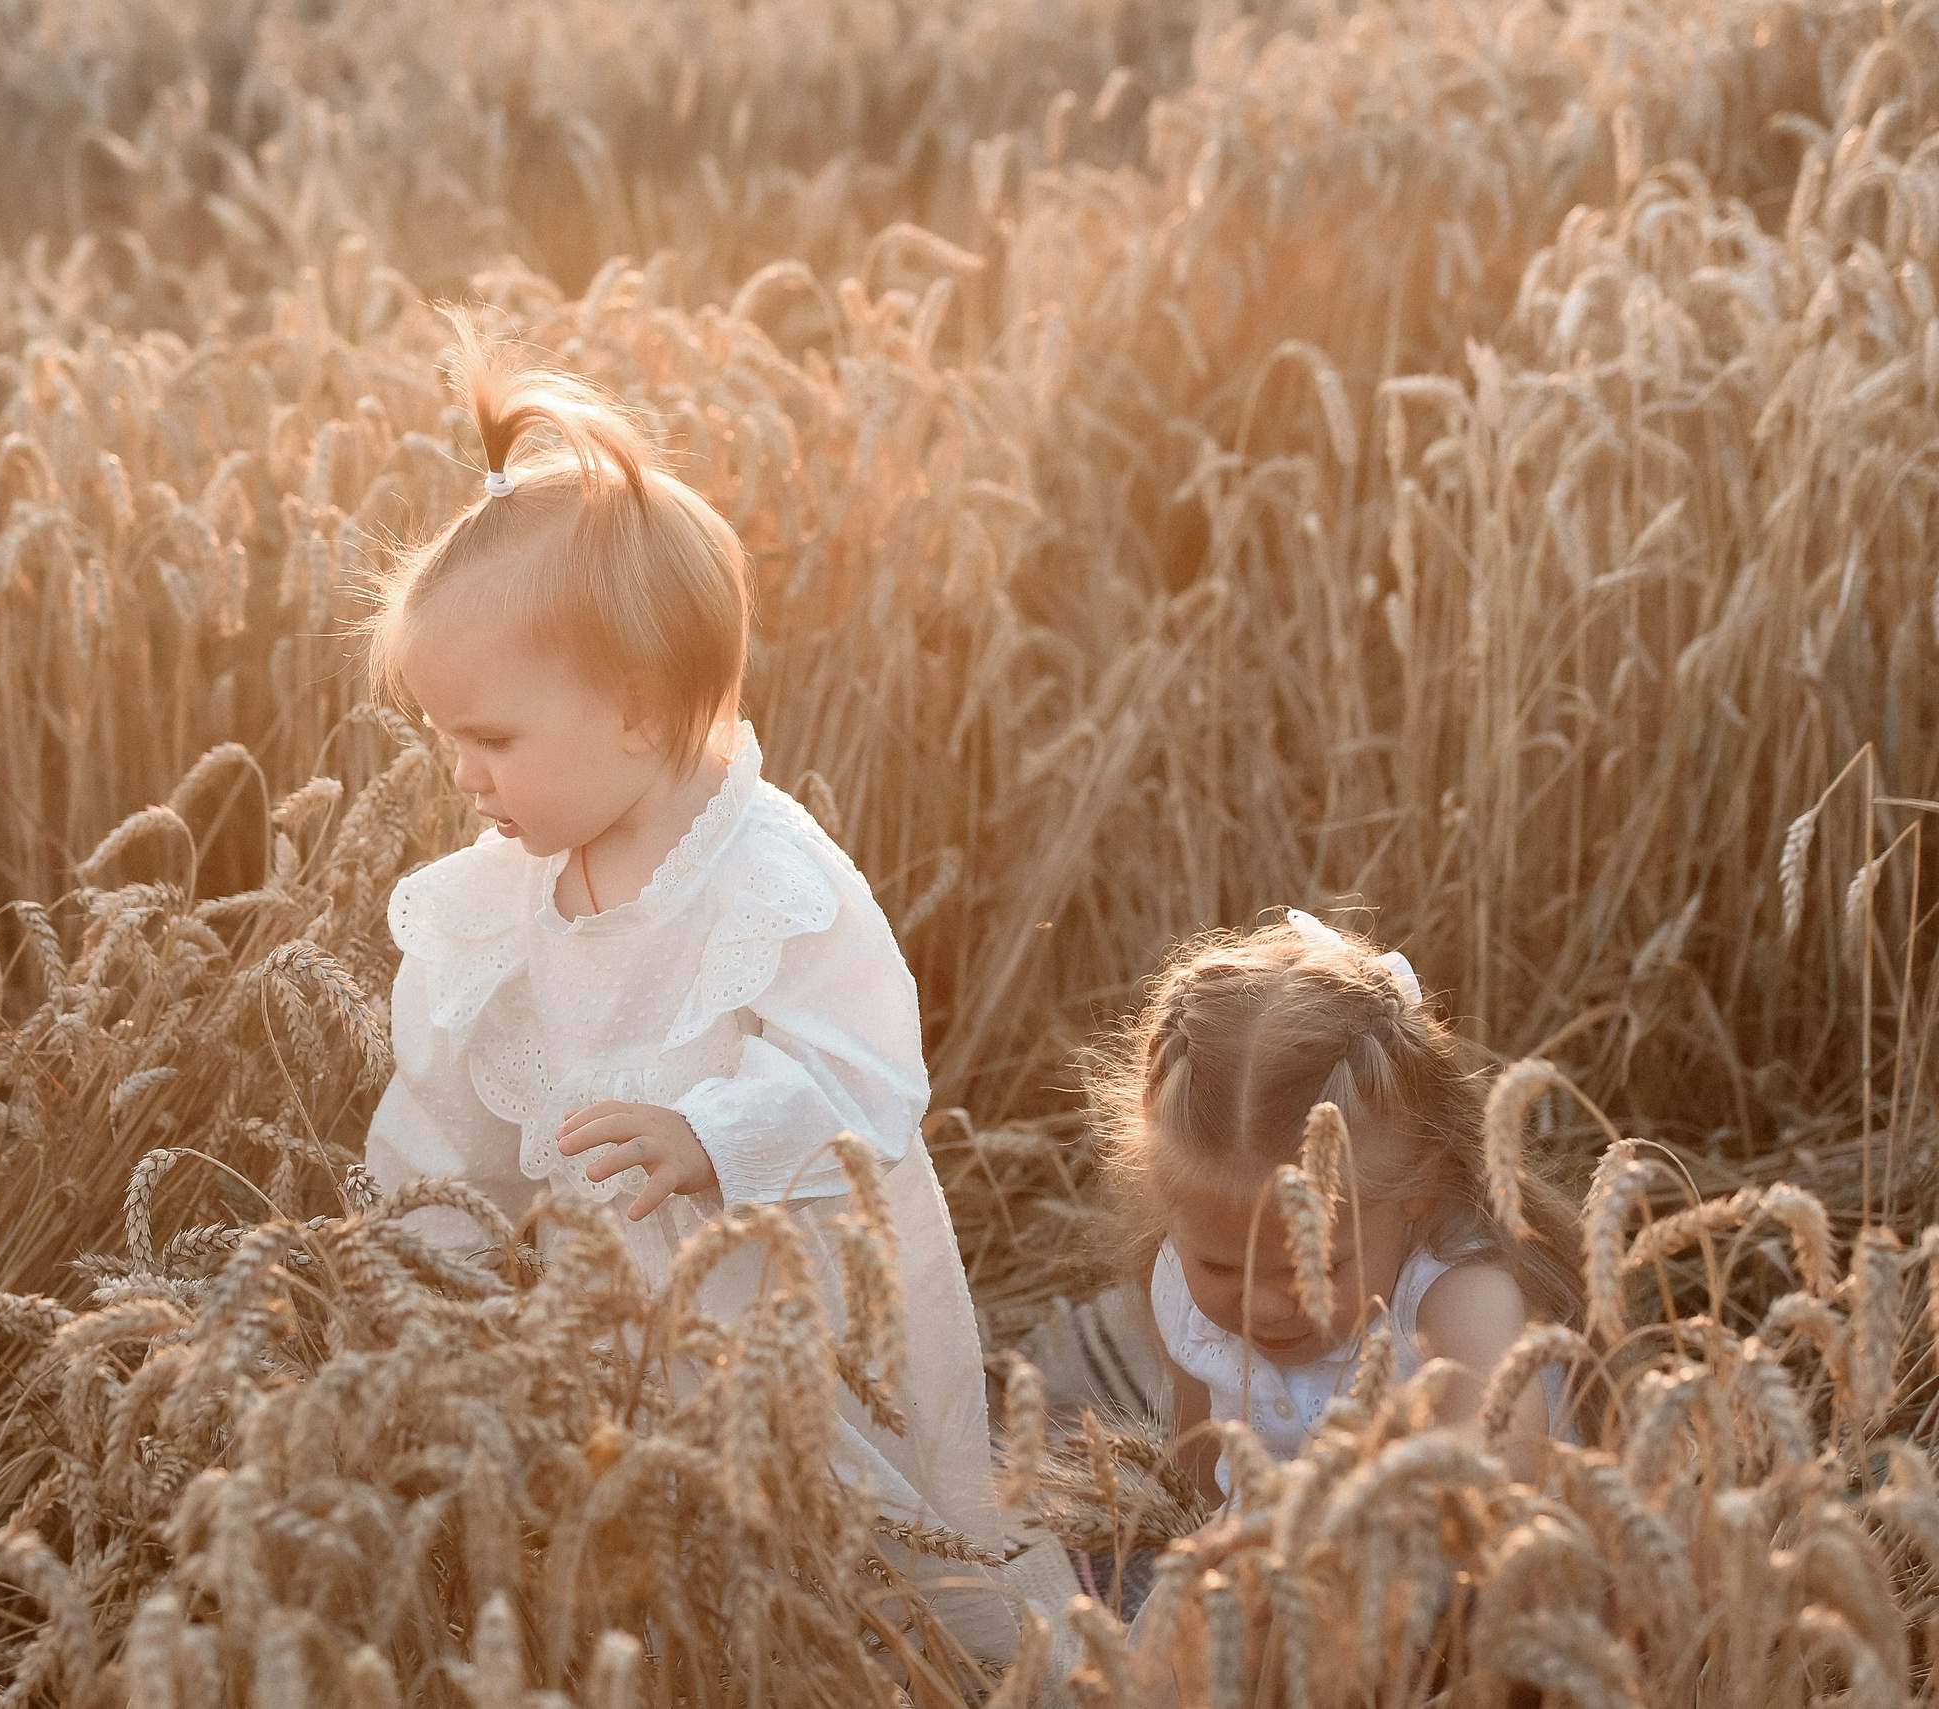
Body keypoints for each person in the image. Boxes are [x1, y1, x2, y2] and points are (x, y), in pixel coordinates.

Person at [359, 315, 1022, 1659]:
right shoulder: (502, 893)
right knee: (663, 1546)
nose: (465, 778)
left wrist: (713, 1136)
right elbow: (450, 1122)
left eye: (491, 739)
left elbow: (866, 1070)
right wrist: (419, 1272)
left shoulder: (766, 875)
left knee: (859, 1539)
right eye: (445, 741)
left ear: (640, 706)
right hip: (613, 1304)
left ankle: (915, 1658)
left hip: (789, 1284)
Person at [1100, 910, 1586, 1505]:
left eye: (1315, 1269)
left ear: (1418, 1190)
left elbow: (1505, 1450)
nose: (1262, 1307)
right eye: (1221, 1267)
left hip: (1490, 1566)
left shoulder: (1457, 1293)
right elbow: (1201, 1468)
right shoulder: (1180, 1287)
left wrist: (1335, 1499)